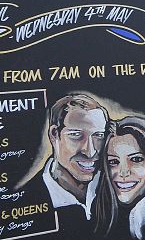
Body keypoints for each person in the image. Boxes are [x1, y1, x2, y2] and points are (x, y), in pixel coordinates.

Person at [38, 93, 109, 226]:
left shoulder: (119, 187)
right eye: (76, 135)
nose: (90, 152)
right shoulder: (29, 196)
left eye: (98, 136)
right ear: (54, 135)